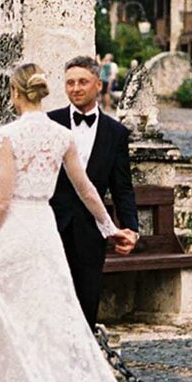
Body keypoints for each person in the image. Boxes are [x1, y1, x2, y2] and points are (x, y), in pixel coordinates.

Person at [0, 63, 158, 382]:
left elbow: (0, 203)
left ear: (15, 95)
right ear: (45, 93)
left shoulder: (6, 134)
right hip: (46, 233)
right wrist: (111, 228)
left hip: (16, 232)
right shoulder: (62, 134)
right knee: (56, 320)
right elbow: (89, 190)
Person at [48, 55, 139, 326]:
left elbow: (122, 188)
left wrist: (131, 229)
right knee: (49, 301)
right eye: (70, 83)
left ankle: (82, 363)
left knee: (87, 301)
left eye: (82, 82)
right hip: (50, 227)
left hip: (91, 231)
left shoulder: (116, 133)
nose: (75, 88)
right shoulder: (49, 123)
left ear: (98, 85)